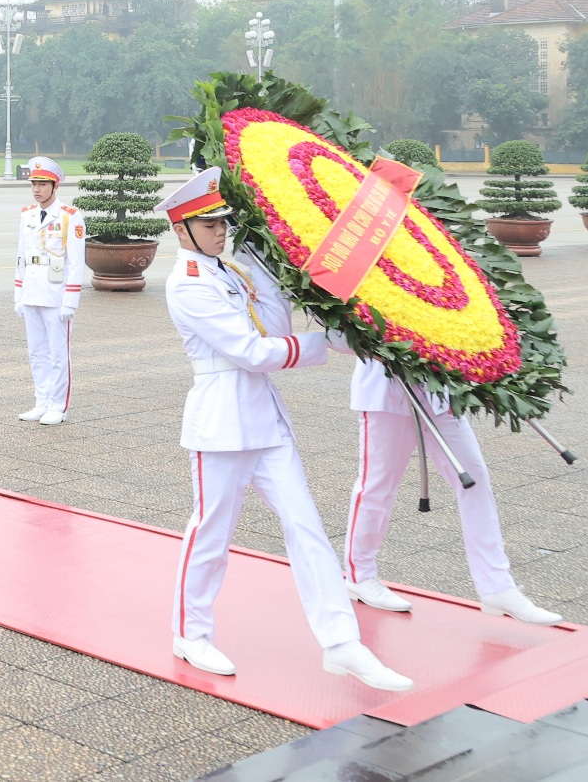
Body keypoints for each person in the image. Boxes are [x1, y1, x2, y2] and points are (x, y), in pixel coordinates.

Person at [160, 167, 410, 691]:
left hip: (265, 421)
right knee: (212, 531)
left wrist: (276, 267)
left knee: (306, 527)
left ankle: (342, 644)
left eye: (224, 222)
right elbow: (252, 352)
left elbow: (274, 328)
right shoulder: (186, 285)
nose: (221, 231)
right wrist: (325, 347)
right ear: (181, 231)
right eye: (209, 225)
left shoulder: (232, 270)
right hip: (221, 422)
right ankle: (191, 632)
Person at [341, 356, 561, 625]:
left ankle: (497, 586)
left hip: (438, 392)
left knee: (474, 480)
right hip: (386, 395)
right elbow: (341, 337)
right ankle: (360, 575)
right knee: (378, 485)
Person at [14, 157, 84, 425]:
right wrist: (18, 294)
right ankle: (41, 401)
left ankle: (58, 405)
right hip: (32, 290)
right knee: (37, 352)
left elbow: (76, 261)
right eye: (34, 183)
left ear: (55, 186)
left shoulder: (69, 216)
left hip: (56, 295)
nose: (37, 189)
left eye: (42, 184)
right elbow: (21, 256)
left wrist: (71, 300)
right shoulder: (27, 215)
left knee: (58, 353)